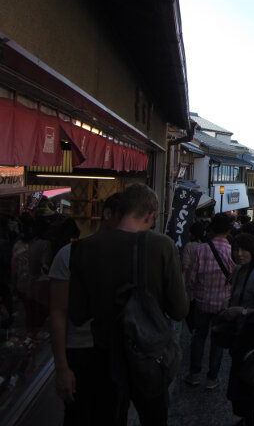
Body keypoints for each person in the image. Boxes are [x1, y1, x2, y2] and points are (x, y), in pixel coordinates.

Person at [68, 183, 189, 426]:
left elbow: (78, 314)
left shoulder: (83, 248)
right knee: (153, 417)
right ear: (150, 215)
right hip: (148, 354)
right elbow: (179, 310)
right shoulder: (160, 245)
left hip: (102, 355)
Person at [50, 194, 119, 425]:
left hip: (117, 352)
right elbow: (58, 312)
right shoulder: (69, 254)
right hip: (79, 351)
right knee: (78, 416)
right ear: (108, 215)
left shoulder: (132, 255)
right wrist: (61, 367)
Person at [219, 233, 254, 426]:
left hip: (251, 337)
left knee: (246, 382)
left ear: (253, 251)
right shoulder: (240, 270)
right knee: (239, 381)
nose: (239, 254)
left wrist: (242, 310)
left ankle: (250, 419)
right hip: (239, 333)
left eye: (243, 250)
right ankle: (246, 417)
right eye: (236, 249)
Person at [185, 213, 234, 389]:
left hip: (202, 301)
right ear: (229, 230)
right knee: (217, 341)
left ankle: (194, 374)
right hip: (222, 302)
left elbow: (191, 279)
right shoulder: (231, 251)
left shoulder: (201, 249)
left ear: (211, 229)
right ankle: (212, 378)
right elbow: (233, 278)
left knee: (199, 337)